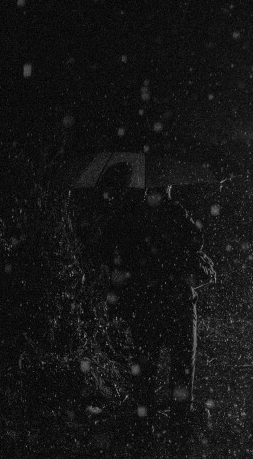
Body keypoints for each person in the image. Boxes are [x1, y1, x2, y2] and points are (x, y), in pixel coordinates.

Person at [91, 164, 215, 452]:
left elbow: (108, 249)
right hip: (176, 301)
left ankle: (142, 426)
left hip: (144, 302)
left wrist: (124, 272)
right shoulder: (175, 214)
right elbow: (196, 243)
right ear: (167, 187)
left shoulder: (130, 216)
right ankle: (179, 426)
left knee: (145, 367)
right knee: (182, 365)